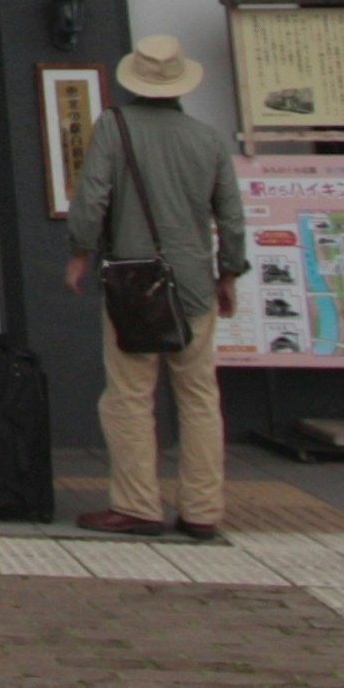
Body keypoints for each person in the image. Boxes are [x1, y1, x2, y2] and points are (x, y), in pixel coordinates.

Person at [63, 34, 247, 539]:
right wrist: (228, 273)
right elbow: (230, 217)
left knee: (128, 394)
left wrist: (80, 253)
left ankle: (137, 504)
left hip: (133, 281)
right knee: (200, 396)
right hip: (194, 282)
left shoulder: (114, 128)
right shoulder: (206, 139)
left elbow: (91, 199)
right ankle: (203, 511)